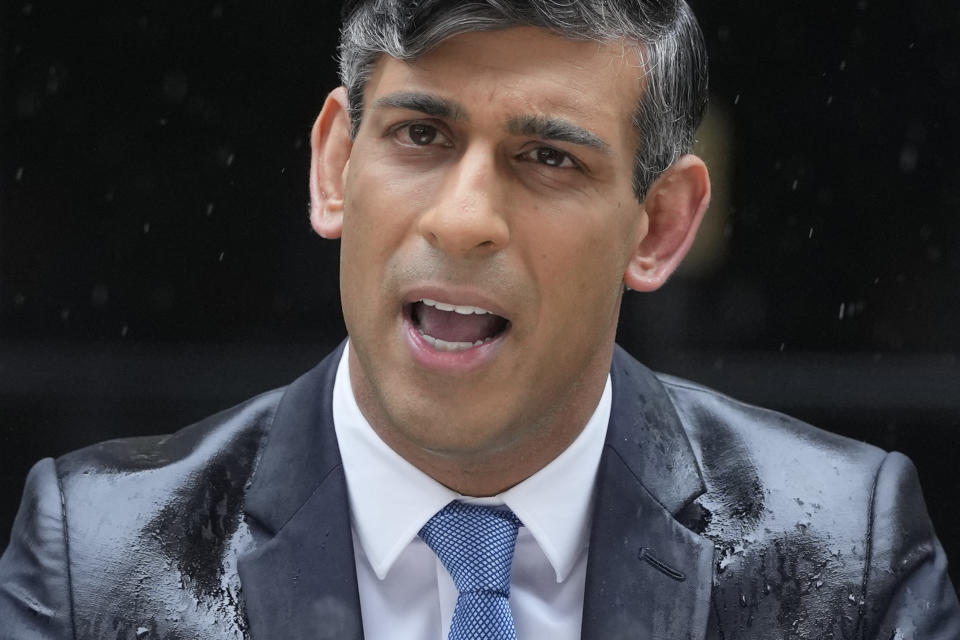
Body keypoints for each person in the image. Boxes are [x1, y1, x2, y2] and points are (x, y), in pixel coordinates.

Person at [1, 0, 958, 638]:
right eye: (421, 134)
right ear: (335, 166)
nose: (462, 218)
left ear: (659, 224)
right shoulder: (98, 556)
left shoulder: (844, 552)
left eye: (548, 157)